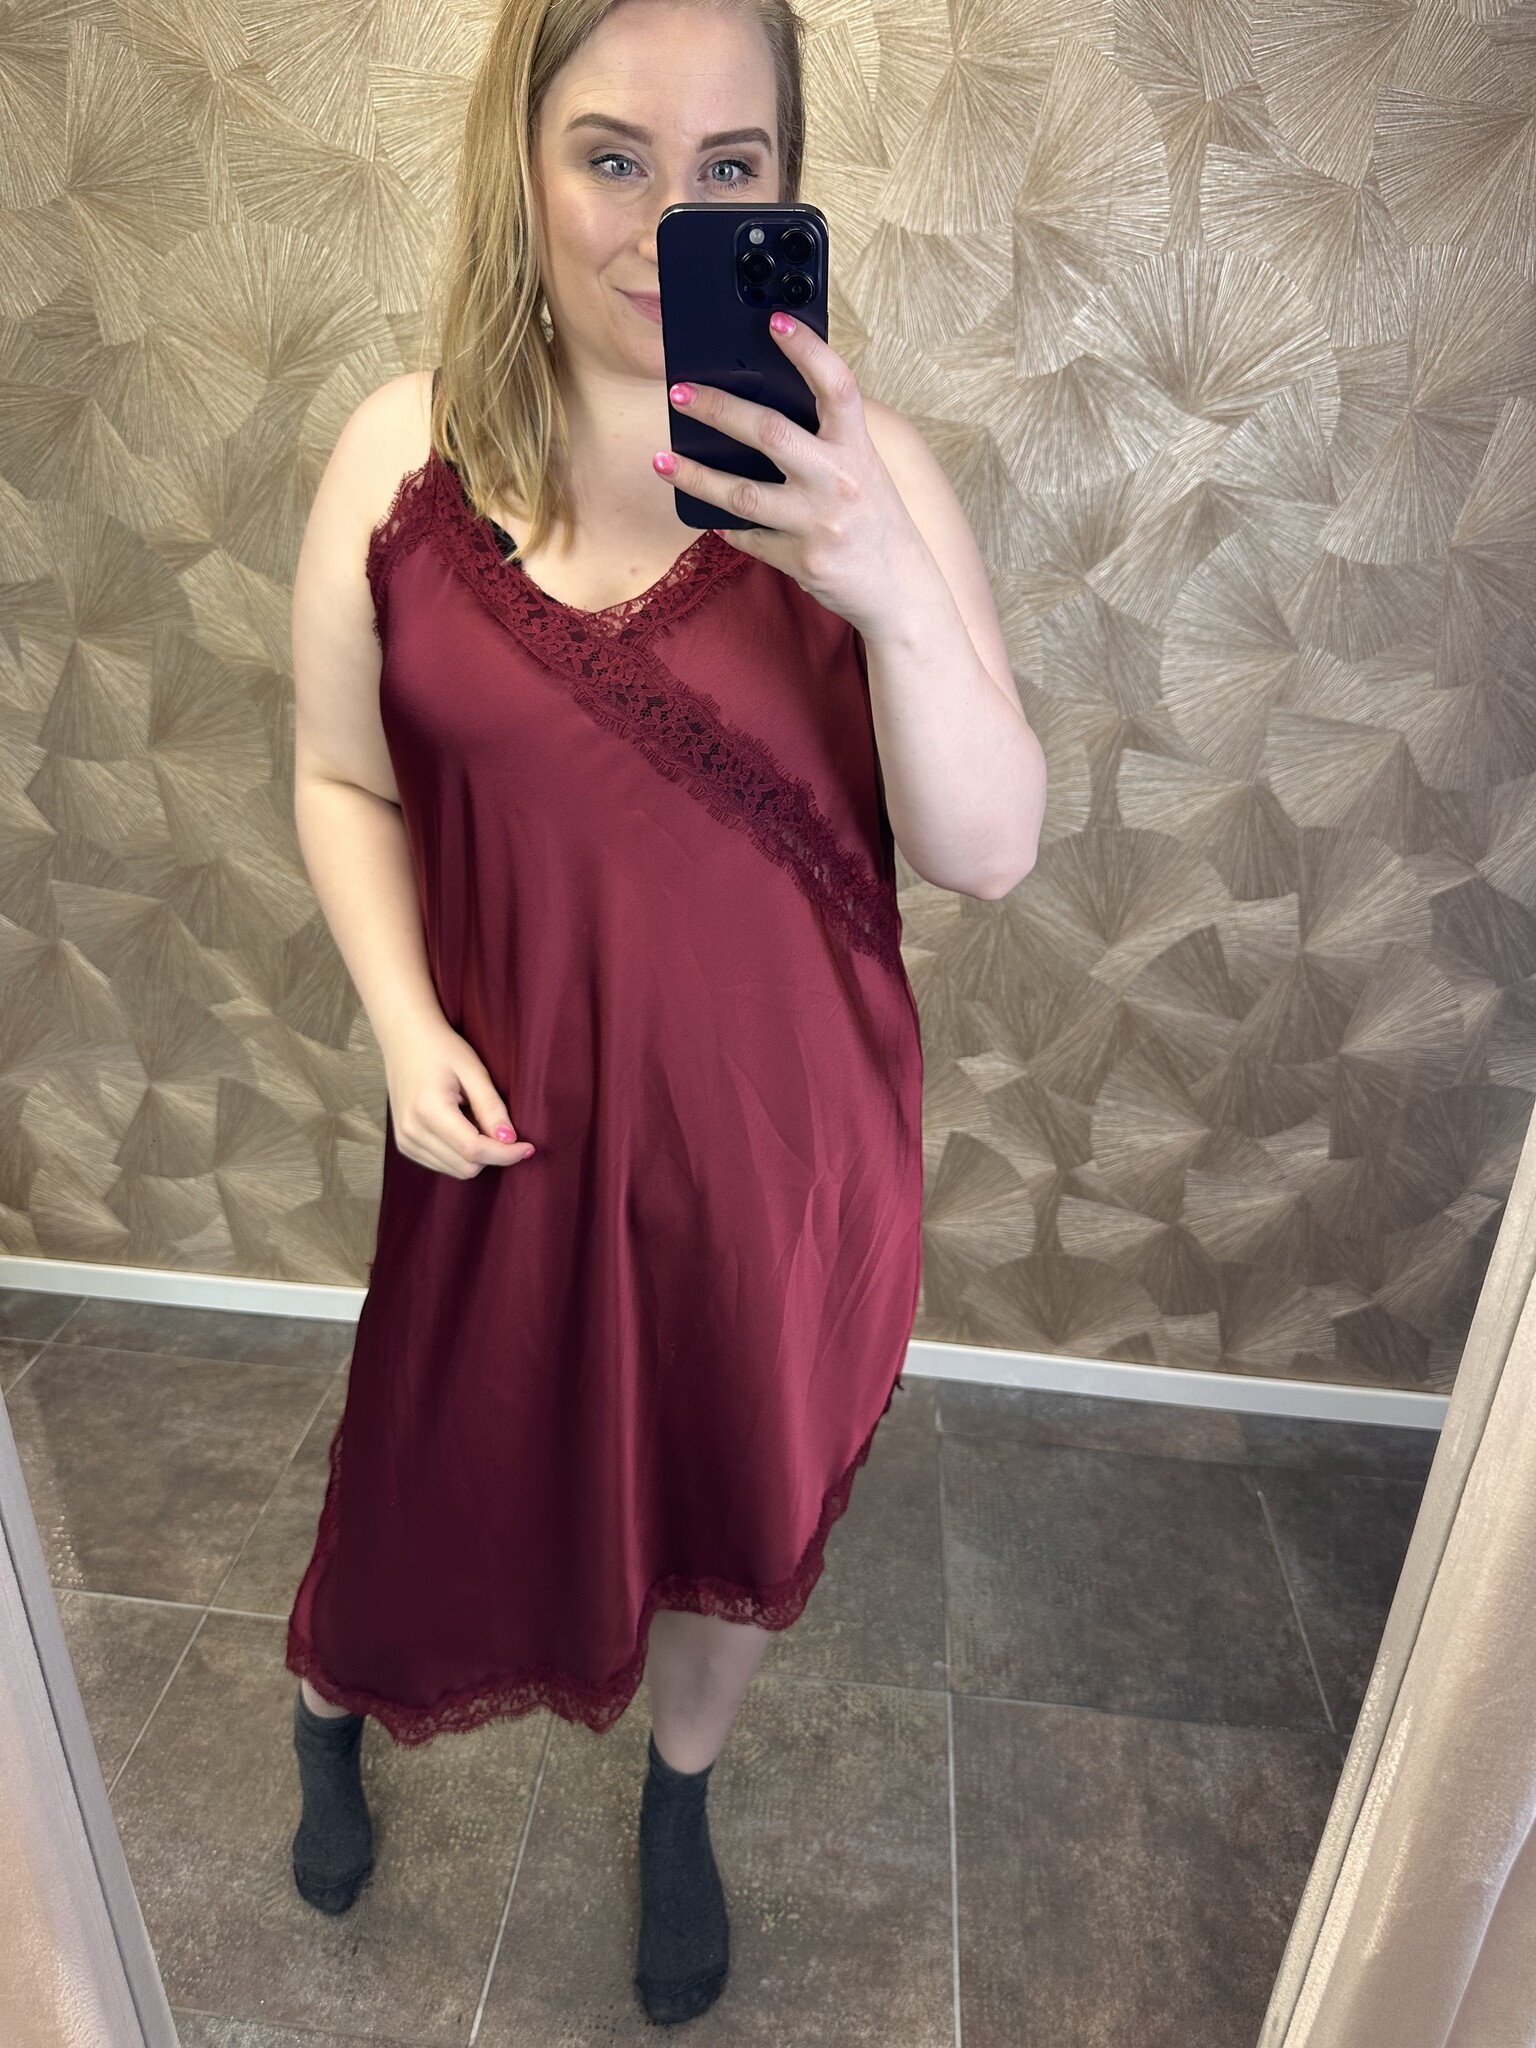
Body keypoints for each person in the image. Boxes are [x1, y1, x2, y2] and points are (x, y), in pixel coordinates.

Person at [282, 0, 1046, 2023]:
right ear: (521, 161)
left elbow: (988, 847)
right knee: (428, 1471)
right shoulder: (401, 452)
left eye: (728, 174)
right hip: (508, 1136)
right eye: (613, 157)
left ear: (784, 192)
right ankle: (330, 1695)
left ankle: (680, 1796)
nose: (659, 223)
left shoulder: (865, 483)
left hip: (782, 1160)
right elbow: (342, 775)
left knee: (733, 1500)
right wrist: (397, 1020)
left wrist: (882, 576)